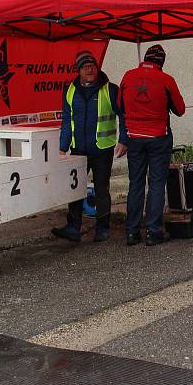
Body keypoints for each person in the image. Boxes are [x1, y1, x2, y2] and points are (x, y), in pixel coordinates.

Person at [52, 51, 127, 243]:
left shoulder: (110, 89)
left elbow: (124, 116)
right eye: (85, 67)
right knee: (75, 189)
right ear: (78, 70)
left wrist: (124, 140)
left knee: (102, 189)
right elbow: (67, 122)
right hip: (78, 150)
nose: (89, 69)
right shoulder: (69, 90)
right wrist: (62, 147)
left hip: (102, 149)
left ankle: (102, 228)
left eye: (92, 65)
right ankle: (73, 227)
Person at [118, 44, 185, 246]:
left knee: (135, 184)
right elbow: (180, 109)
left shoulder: (128, 76)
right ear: (161, 62)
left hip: (134, 138)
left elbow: (120, 106)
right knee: (156, 185)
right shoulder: (166, 80)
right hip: (158, 138)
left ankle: (132, 232)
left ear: (145, 59)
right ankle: (153, 231)